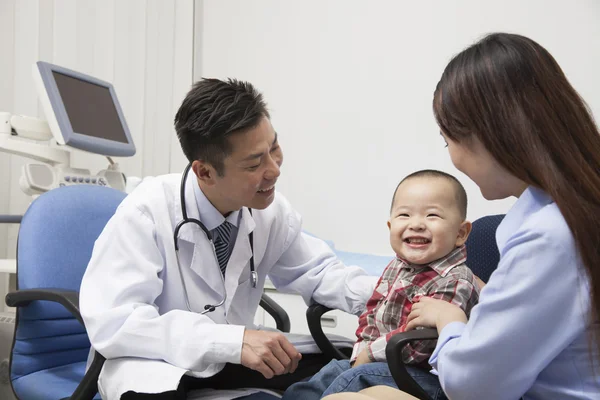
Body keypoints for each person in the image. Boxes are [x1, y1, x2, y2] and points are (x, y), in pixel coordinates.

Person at [325, 32, 600, 400]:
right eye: (404, 214)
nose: (452, 156)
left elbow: (474, 386)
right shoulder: (564, 215)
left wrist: (451, 321)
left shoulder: (550, 236)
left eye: (448, 140)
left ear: (491, 133)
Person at [79, 78, 378, 400]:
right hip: (156, 363)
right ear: (205, 172)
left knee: (351, 367)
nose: (274, 169)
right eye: (254, 163)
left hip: (233, 358)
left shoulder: (270, 211)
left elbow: (318, 273)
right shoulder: (145, 212)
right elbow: (115, 324)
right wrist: (228, 341)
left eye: (274, 148)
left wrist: (395, 294)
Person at [282, 170, 480, 400]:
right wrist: (360, 353)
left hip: (433, 379)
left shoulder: (456, 280)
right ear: (390, 226)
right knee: (327, 374)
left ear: (461, 233)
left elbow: (418, 344)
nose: (416, 224)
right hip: (385, 363)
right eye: (404, 215)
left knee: (354, 378)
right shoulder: (397, 266)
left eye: (432, 215)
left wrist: (369, 354)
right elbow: (372, 312)